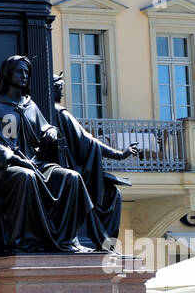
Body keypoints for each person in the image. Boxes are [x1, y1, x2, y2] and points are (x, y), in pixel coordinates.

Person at [0, 55, 94, 253]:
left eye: (26, 72)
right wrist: (15, 159)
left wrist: (52, 131)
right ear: (8, 74)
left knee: (71, 178)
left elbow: (45, 128)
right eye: (19, 71)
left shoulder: (30, 105)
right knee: (26, 177)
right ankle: (24, 241)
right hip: (4, 167)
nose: (24, 76)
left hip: (36, 162)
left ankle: (67, 240)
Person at [51, 73, 139, 250]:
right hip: (66, 174)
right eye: (59, 88)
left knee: (110, 193)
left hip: (59, 171)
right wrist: (119, 154)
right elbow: (89, 141)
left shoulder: (45, 111)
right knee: (112, 194)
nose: (62, 92)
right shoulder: (60, 113)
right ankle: (103, 243)